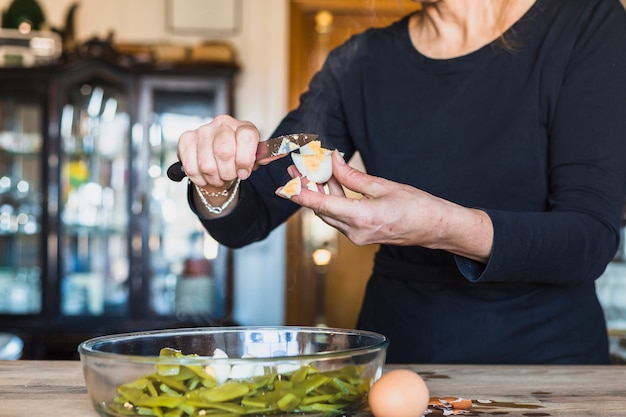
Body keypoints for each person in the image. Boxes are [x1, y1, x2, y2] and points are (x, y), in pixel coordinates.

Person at [175, 0, 626, 364]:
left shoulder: (587, 21)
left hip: (548, 368)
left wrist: (442, 226)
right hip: (402, 362)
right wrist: (216, 179)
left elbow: (589, 238)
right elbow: (247, 217)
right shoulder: (360, 61)